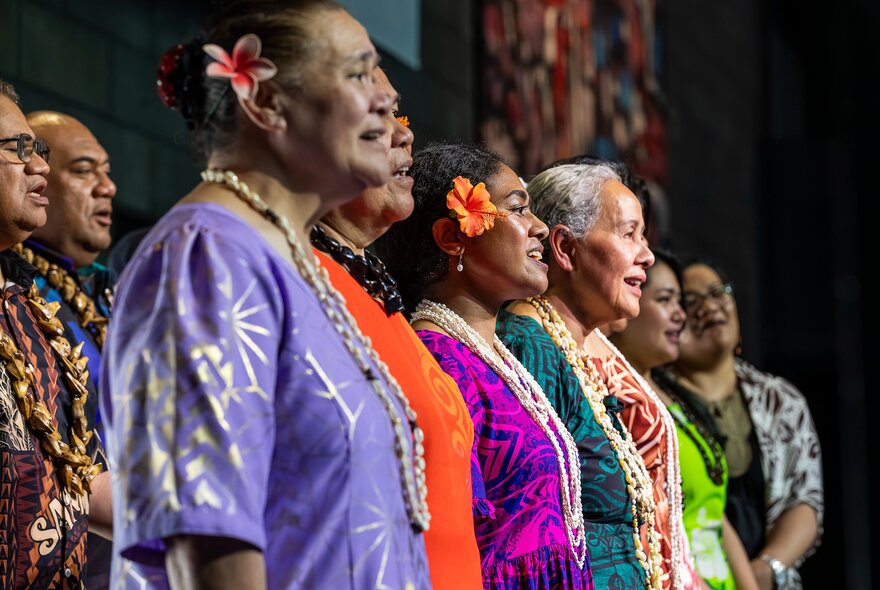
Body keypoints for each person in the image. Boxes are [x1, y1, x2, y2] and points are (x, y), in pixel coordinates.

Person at [100, 2, 431, 589]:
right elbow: (206, 538)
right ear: (265, 101)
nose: (388, 105)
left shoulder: (289, 264)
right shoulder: (206, 258)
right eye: (358, 74)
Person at [377, 142, 593, 589]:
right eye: (518, 209)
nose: (538, 228)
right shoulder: (438, 362)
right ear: (453, 237)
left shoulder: (493, 357)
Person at [310, 69, 482, 589]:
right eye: (378, 113)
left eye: (398, 112)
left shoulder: (377, 295)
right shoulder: (297, 283)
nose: (406, 133)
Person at [500, 161, 697, 590]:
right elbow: (528, 532)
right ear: (566, 249)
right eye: (629, 234)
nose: (646, 254)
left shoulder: (571, 350)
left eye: (643, 236)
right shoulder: (529, 346)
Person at [1, 78, 112, 588]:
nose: (37, 165)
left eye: (38, 151)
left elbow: (84, 475)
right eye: (16, 149)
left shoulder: (31, 311)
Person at [660, 259, 823, 590]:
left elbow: (805, 500)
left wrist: (765, 570)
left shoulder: (779, 399)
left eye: (719, 293)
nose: (709, 306)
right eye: (691, 301)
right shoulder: (657, 400)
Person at [610, 249, 758, 589]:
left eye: (680, 302)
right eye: (665, 300)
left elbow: (714, 513)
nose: (680, 315)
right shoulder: (617, 398)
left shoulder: (673, 397)